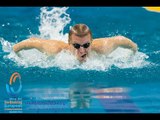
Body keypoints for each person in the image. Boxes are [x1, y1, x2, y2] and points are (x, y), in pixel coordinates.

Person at [13, 23, 138, 62]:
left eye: (86, 45)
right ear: (69, 43)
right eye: (77, 46)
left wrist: (133, 54)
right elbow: (31, 42)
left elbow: (122, 40)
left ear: (92, 42)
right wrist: (17, 56)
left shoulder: (103, 47)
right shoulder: (55, 49)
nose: (82, 50)